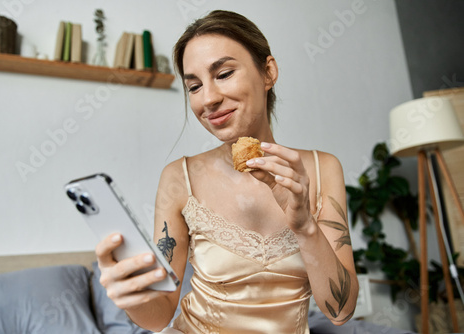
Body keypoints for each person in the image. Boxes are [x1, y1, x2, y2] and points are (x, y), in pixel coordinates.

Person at [96, 10, 359, 334]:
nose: (208, 99)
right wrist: (131, 295)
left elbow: (341, 312)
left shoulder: (322, 169)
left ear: (268, 72)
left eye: (223, 74)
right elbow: (160, 315)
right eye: (194, 86)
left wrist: (305, 227)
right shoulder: (180, 178)